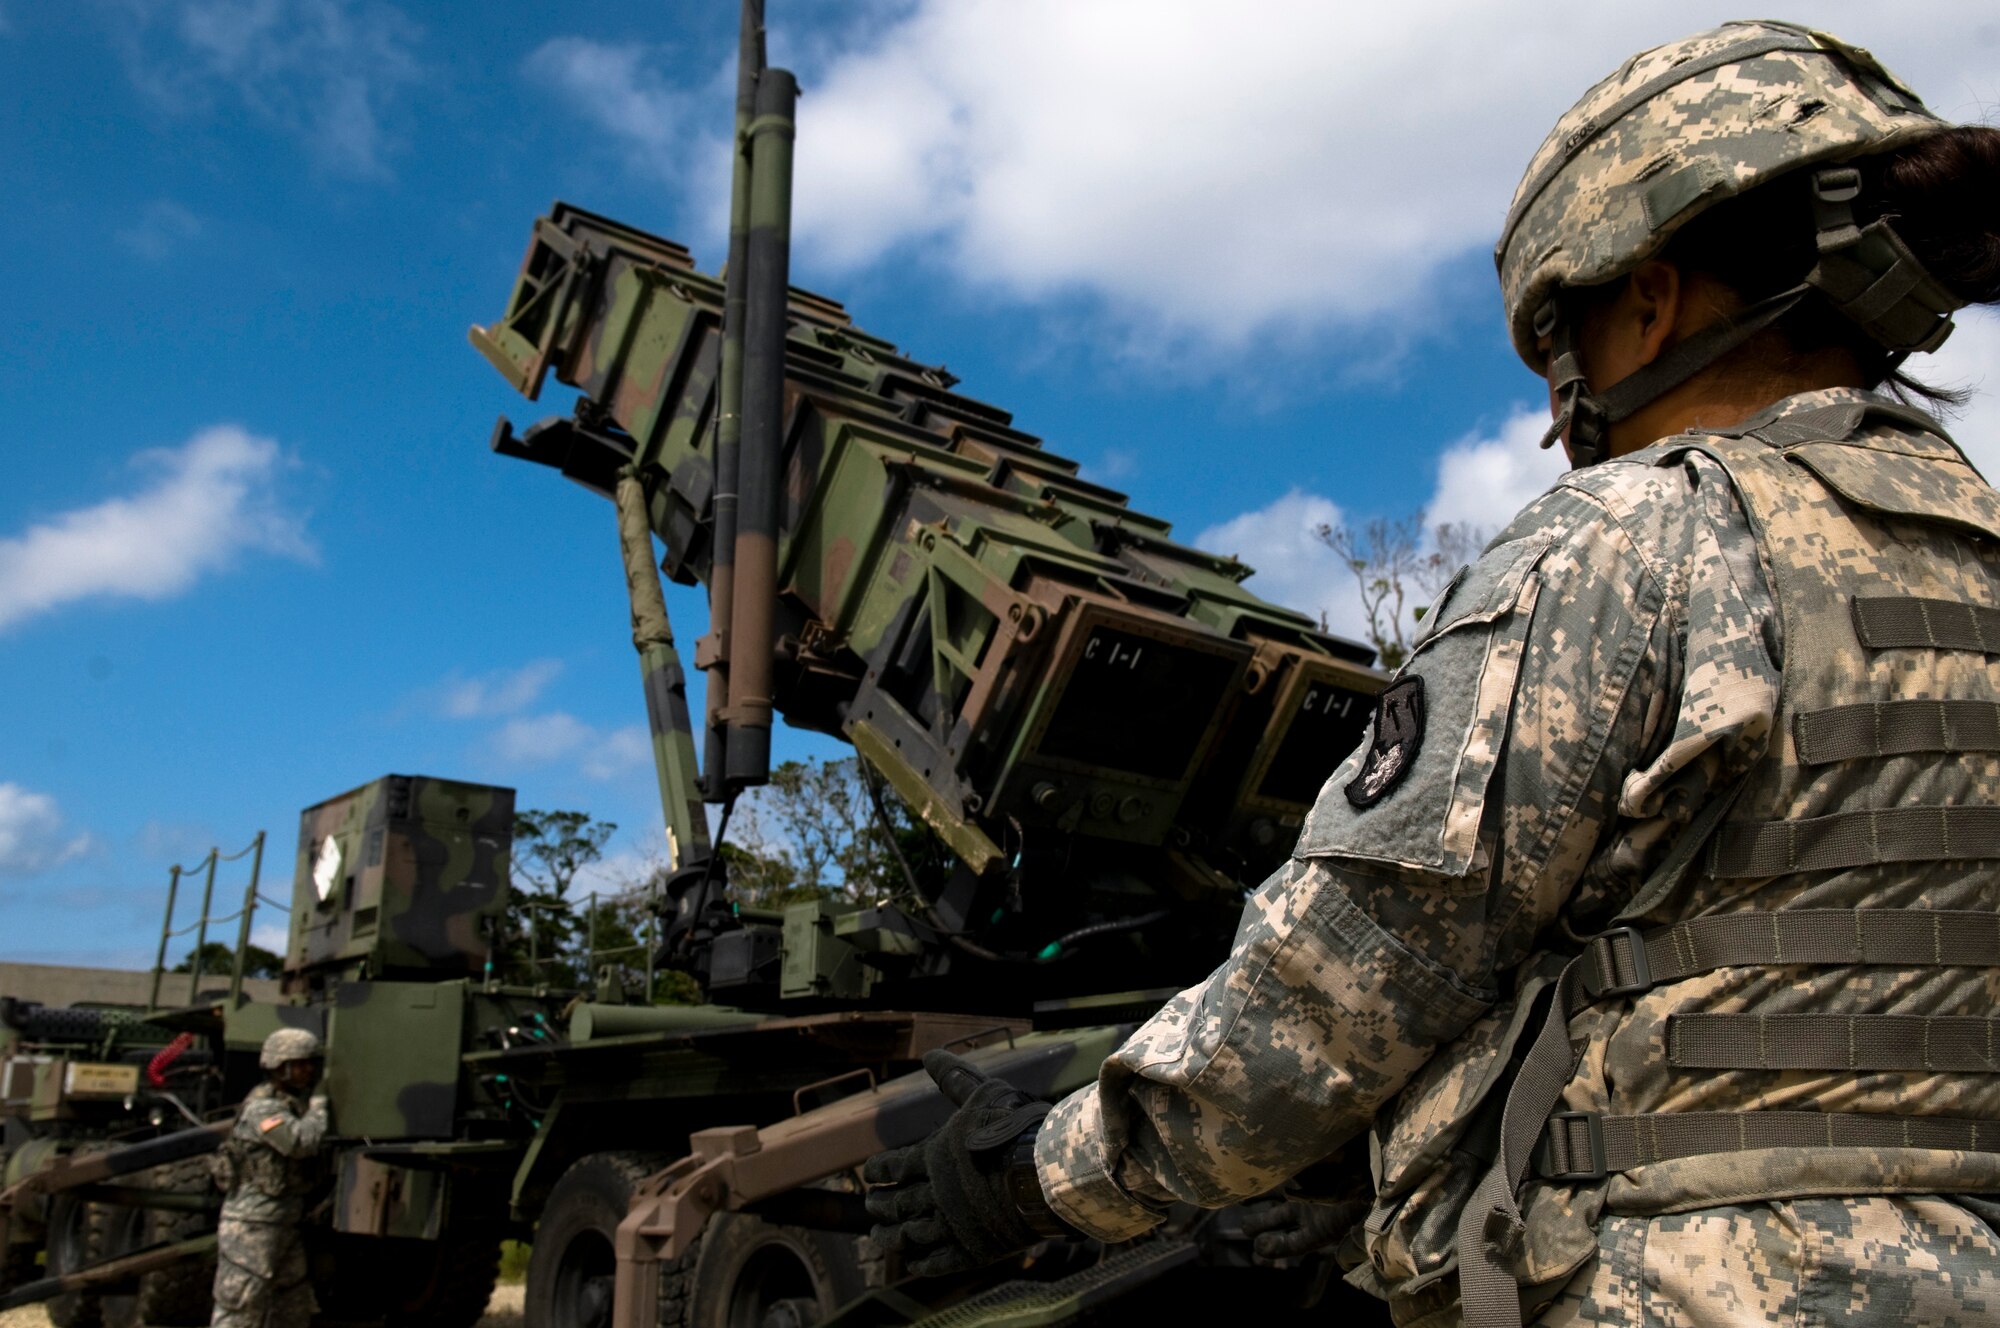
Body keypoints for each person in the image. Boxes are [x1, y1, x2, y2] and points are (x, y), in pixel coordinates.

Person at [865, 20, 2000, 1326]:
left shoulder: (1635, 542)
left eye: (1562, 344)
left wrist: (1036, 1178)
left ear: (1650, 296)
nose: (1565, 412)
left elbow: (1338, 989)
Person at [210, 1028, 331, 1328]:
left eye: (310, 1063)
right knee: (241, 1306)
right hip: (252, 1225)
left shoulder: (289, 1104)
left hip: (284, 1222)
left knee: (291, 1307)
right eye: (300, 1064)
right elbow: (299, 1142)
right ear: (280, 1067)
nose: (309, 1070)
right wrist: (319, 1109)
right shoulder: (262, 1108)